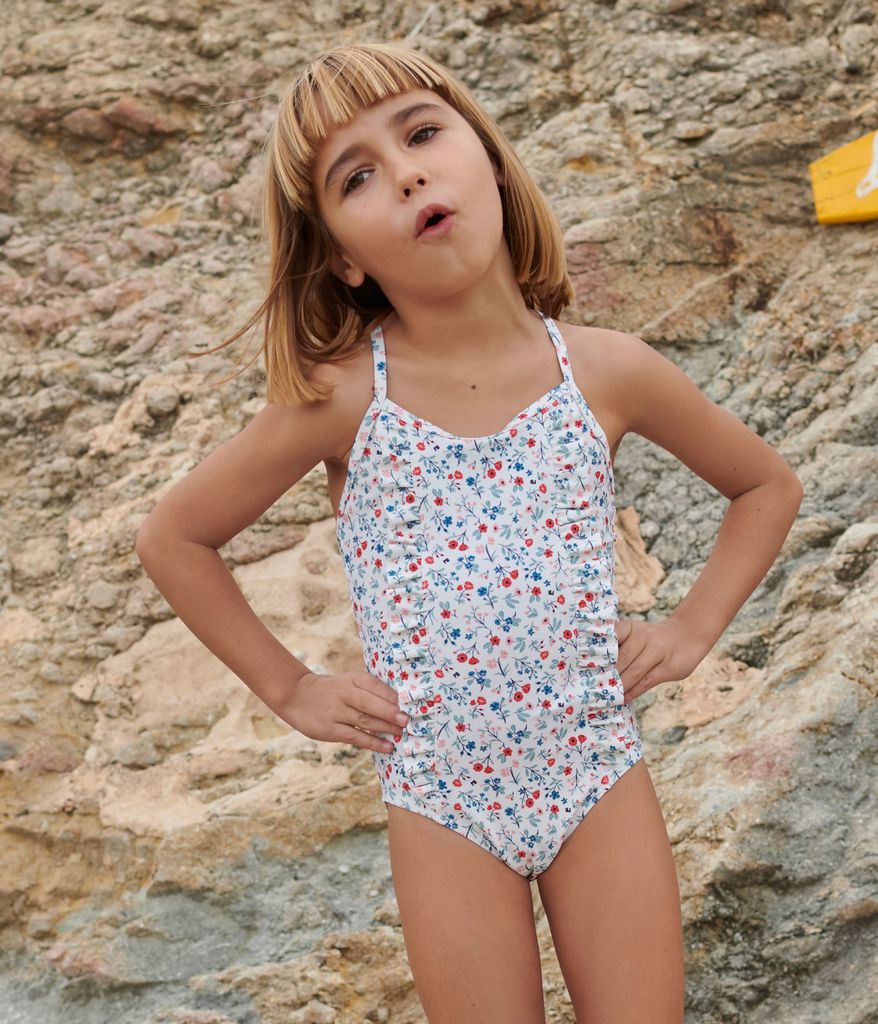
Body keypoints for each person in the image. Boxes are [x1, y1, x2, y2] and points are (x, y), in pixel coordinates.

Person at [135, 41, 804, 1024]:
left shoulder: (607, 371)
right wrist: (289, 686)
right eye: (355, 175)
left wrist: (686, 631)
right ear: (342, 253)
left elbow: (764, 486)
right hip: (443, 801)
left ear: (486, 159)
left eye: (420, 132)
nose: (404, 170)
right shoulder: (343, 397)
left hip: (595, 773)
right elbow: (174, 538)